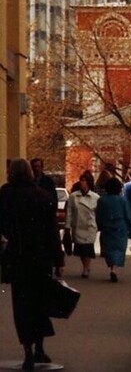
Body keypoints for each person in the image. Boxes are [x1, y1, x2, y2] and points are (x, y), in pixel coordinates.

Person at [0, 159, 65, 371]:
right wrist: (59, 259)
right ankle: (39, 347)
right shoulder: (42, 196)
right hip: (41, 258)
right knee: (40, 302)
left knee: (22, 305)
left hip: (18, 258)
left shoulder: (5, 195)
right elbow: (52, 231)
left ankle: (27, 350)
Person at [95, 176, 131, 283]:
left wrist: (99, 225)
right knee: (119, 248)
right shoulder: (123, 200)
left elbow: (98, 214)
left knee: (109, 248)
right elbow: (128, 215)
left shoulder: (102, 200)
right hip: (120, 226)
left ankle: (111, 266)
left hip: (107, 227)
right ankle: (114, 269)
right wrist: (129, 226)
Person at [65, 171, 99, 278]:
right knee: (80, 249)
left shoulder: (95, 197)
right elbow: (69, 211)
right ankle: (85, 266)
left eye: (84, 180)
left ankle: (86, 268)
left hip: (90, 226)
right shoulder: (73, 196)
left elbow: (98, 213)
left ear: (89, 182)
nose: (82, 182)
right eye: (81, 180)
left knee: (88, 248)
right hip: (78, 225)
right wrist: (67, 226)